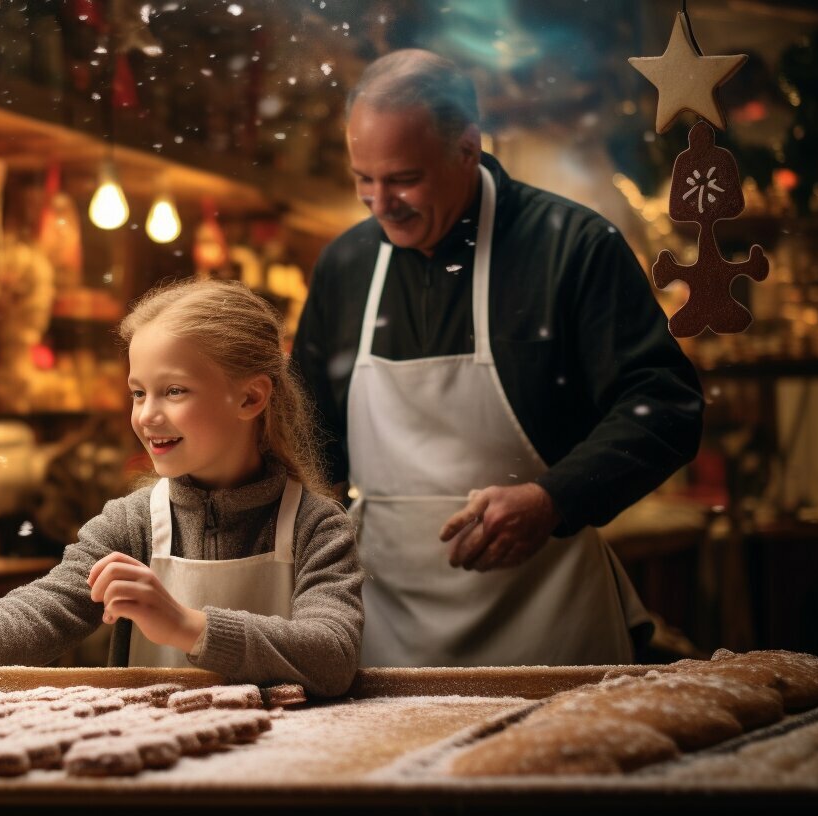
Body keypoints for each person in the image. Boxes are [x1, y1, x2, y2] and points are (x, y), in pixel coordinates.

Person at [291, 50, 704, 668]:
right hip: (385, 627)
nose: (381, 203)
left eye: (403, 178)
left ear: (466, 149)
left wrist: (553, 497)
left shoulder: (571, 248)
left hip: (549, 619)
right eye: (363, 179)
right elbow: (310, 441)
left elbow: (665, 404)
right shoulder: (345, 266)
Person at [0, 279, 365, 696]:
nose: (147, 416)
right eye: (137, 393)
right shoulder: (131, 523)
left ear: (250, 399)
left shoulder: (317, 526)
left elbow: (333, 655)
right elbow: (39, 613)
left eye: (174, 391)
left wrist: (184, 624)